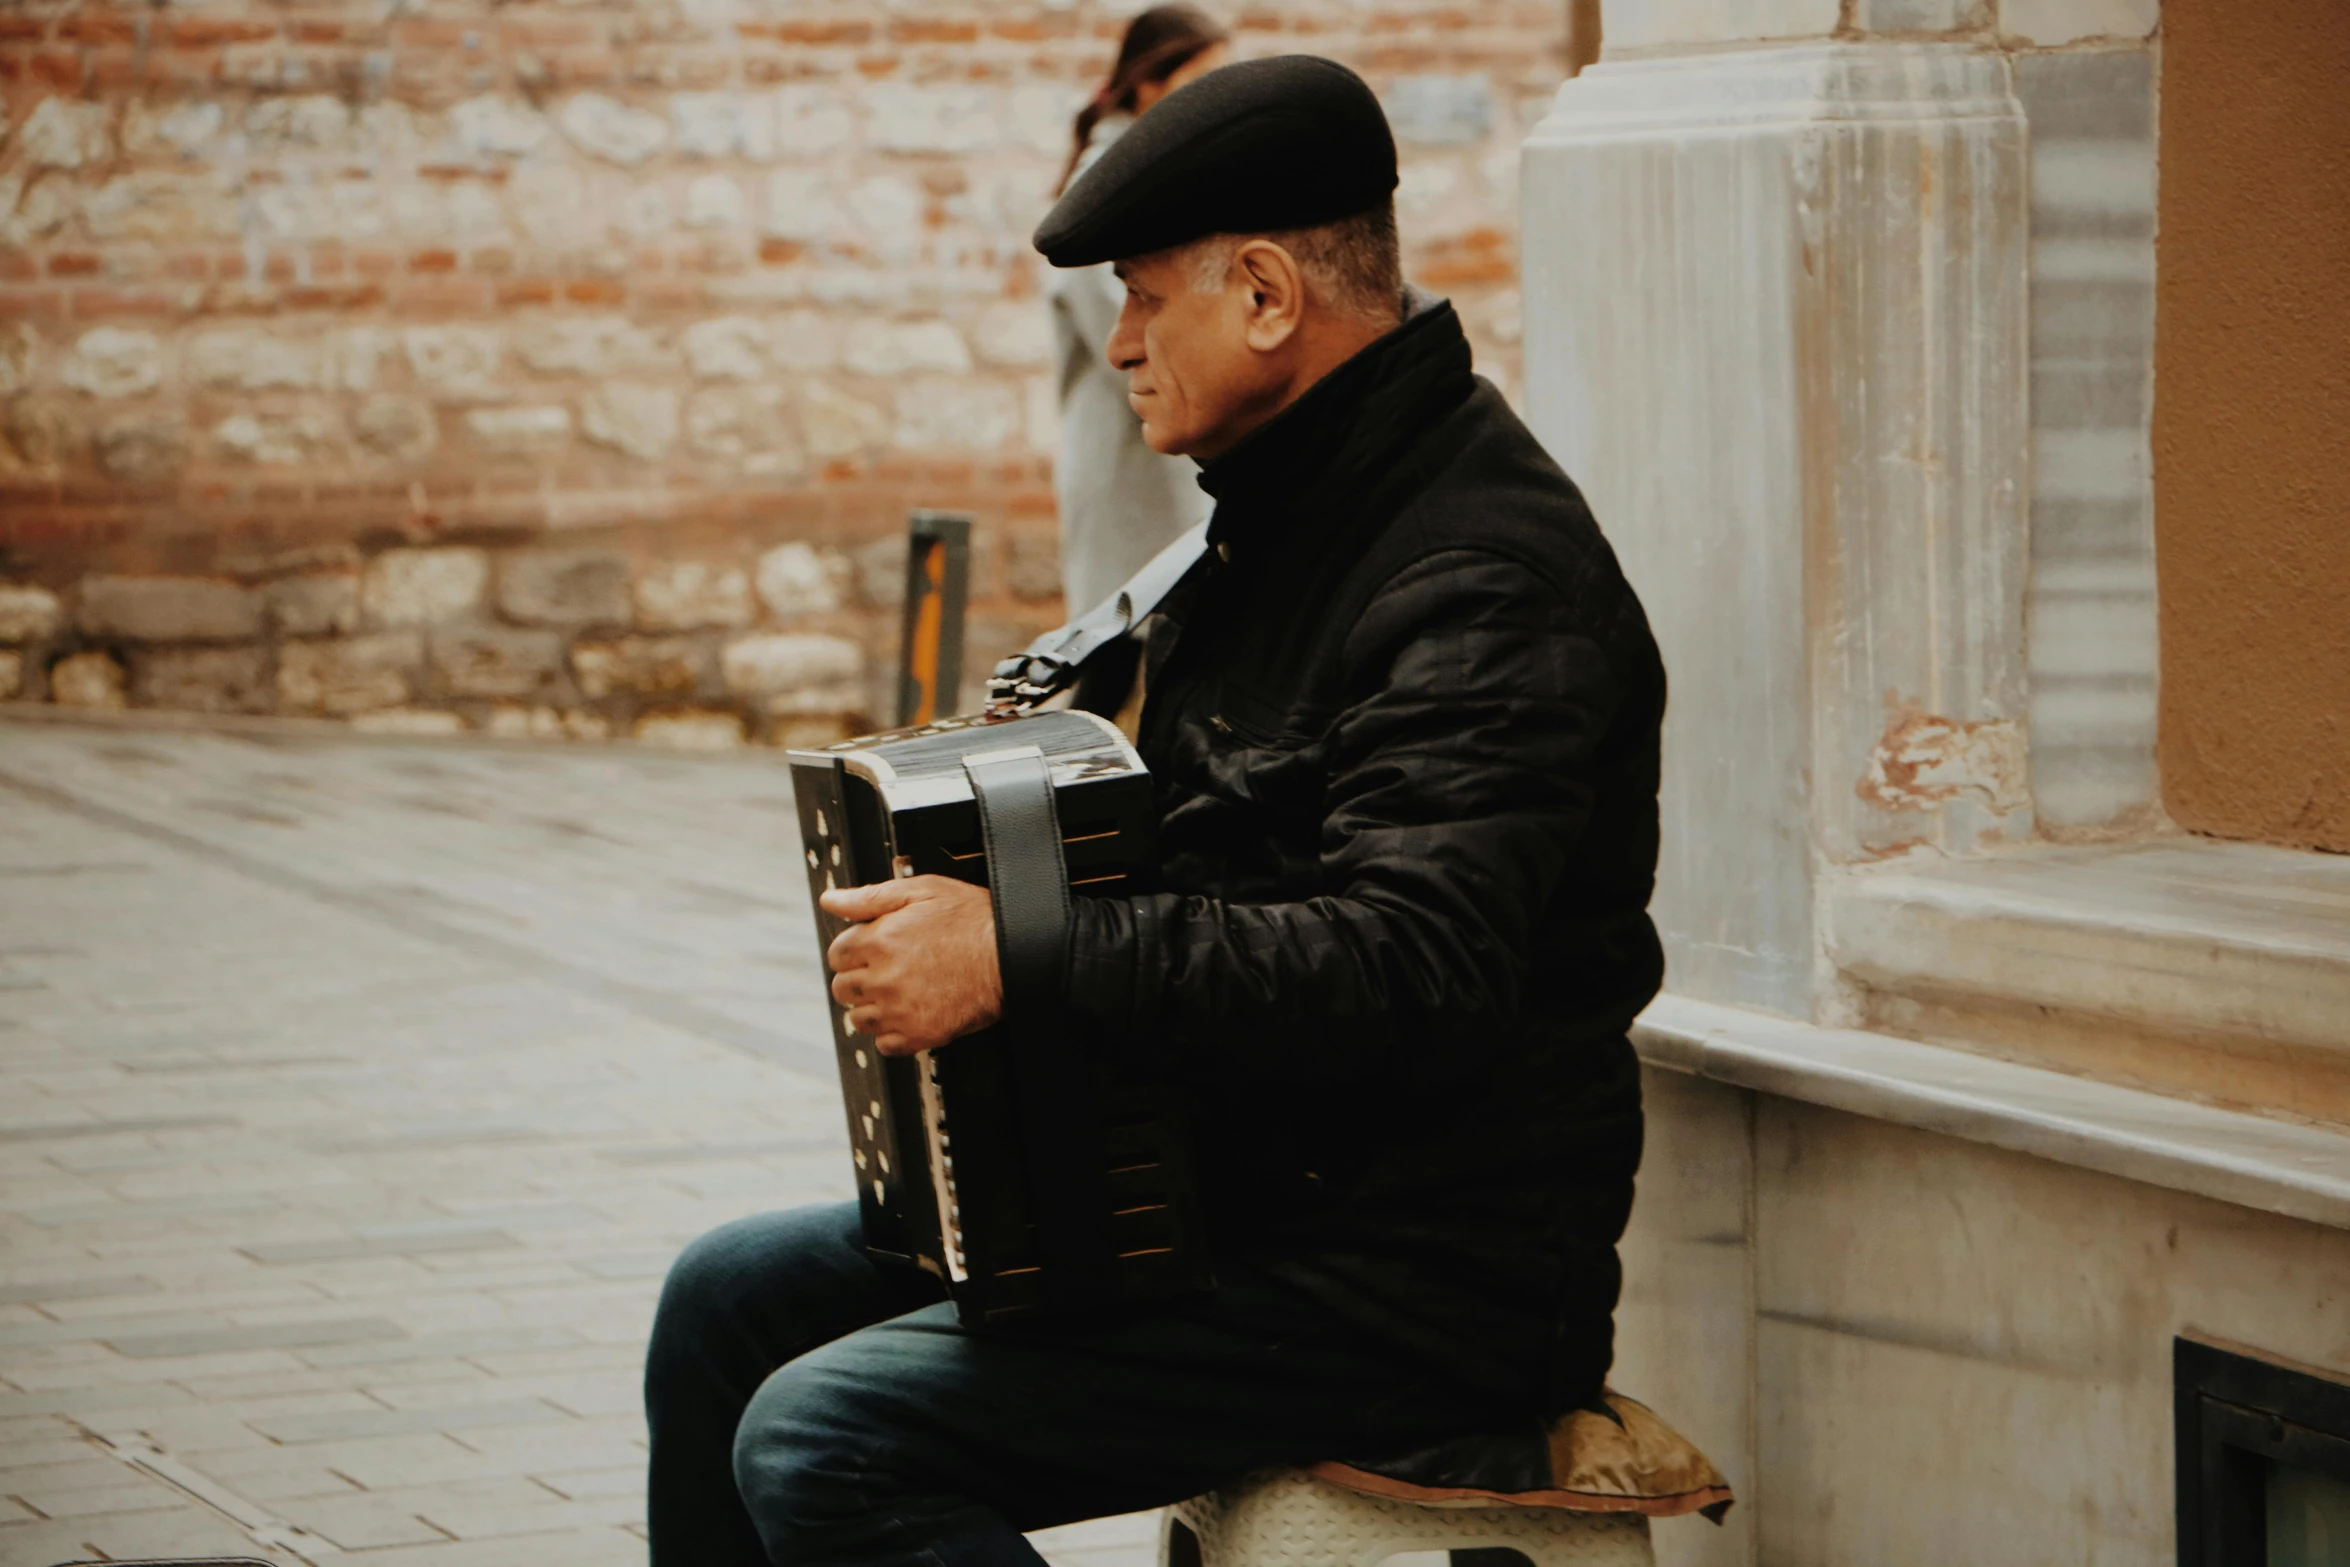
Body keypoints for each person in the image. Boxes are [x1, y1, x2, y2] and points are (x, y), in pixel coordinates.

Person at [643, 56, 1666, 1567]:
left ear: (1263, 294)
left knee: (826, 1432)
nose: (1116, 343)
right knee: (724, 1296)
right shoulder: (1276, 518)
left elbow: (1405, 967)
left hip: (1411, 1272)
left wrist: (1019, 954)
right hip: (1239, 1196)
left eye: (1141, 298)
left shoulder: (1478, 578)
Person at [1049, 6, 1229, 618]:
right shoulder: (1108, 177)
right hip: (1126, 451)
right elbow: (1117, 330)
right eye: (1200, 77)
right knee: (1111, 633)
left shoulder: (1158, 168)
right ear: (1151, 82)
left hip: (1162, 444)